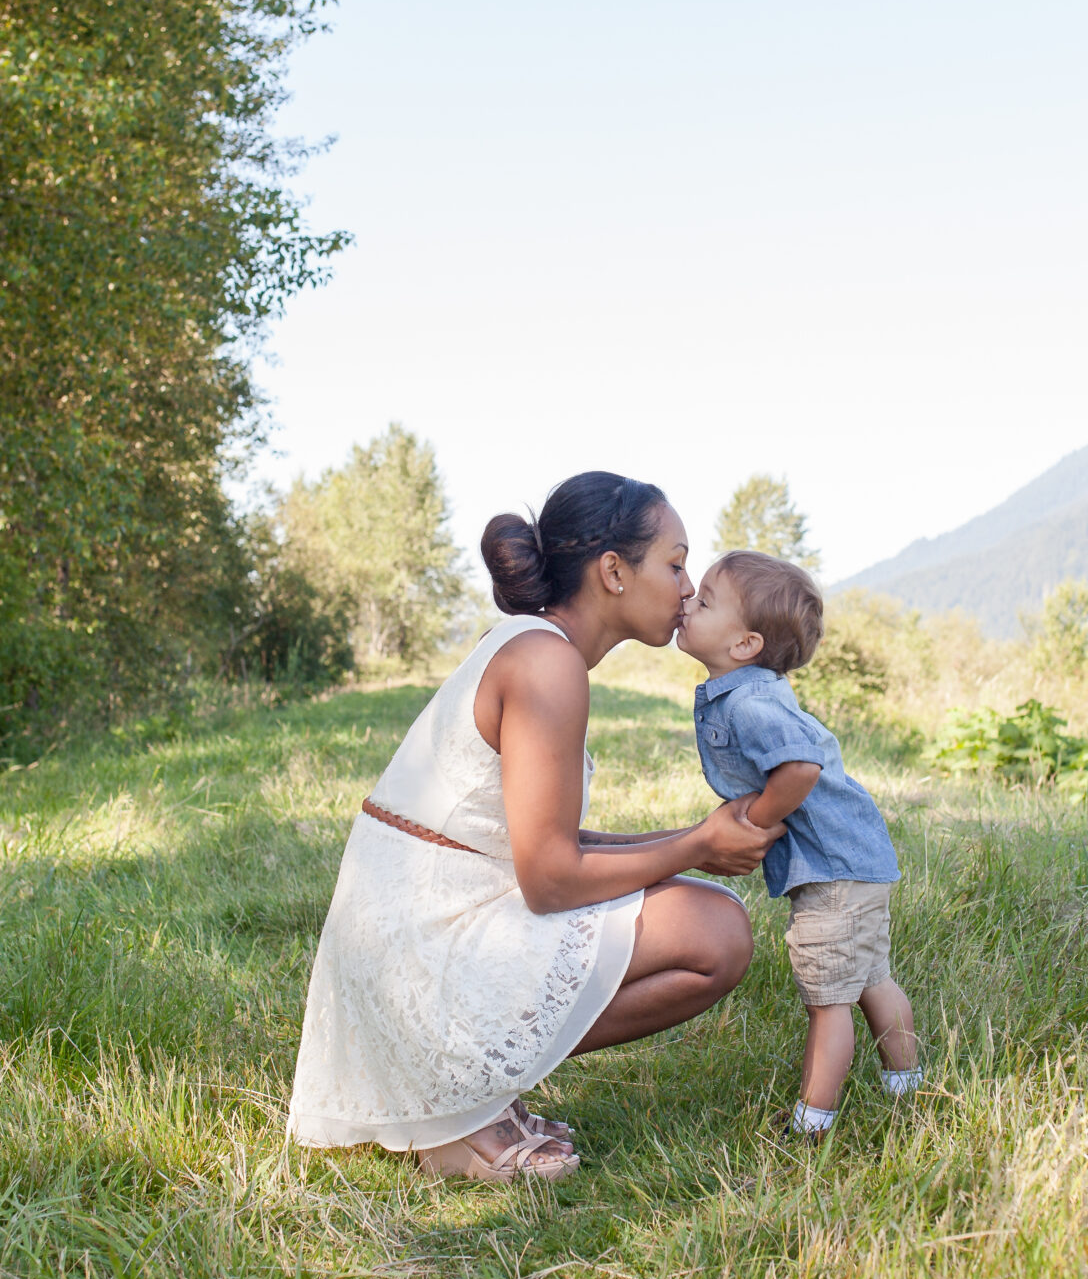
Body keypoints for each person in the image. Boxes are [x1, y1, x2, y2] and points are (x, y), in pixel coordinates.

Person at [286, 471, 782, 1182]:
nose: (686, 586)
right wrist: (698, 844)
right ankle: (459, 1106)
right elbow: (550, 879)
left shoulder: (538, 646)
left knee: (705, 907)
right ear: (613, 570)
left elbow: (549, 843)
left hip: (424, 932)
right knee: (716, 935)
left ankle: (472, 1094)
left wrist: (695, 842)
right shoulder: (547, 662)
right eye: (675, 563)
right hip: (421, 955)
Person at [674, 550, 921, 1140]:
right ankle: (908, 1086)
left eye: (704, 601)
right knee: (870, 978)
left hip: (834, 874)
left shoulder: (751, 703)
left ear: (744, 645)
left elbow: (801, 767)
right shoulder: (753, 687)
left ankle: (813, 1122)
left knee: (828, 999)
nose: (687, 601)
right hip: (858, 859)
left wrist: (755, 822)